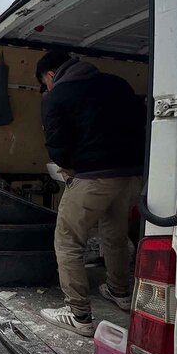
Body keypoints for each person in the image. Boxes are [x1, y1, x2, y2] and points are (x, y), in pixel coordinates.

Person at [35, 50, 146, 336]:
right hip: (129, 177)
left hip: (92, 178)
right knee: (115, 234)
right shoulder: (118, 84)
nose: (48, 88)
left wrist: (70, 168)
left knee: (68, 241)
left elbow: (57, 147)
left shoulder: (57, 96)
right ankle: (120, 291)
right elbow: (141, 124)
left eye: (45, 83)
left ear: (51, 75)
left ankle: (78, 314)